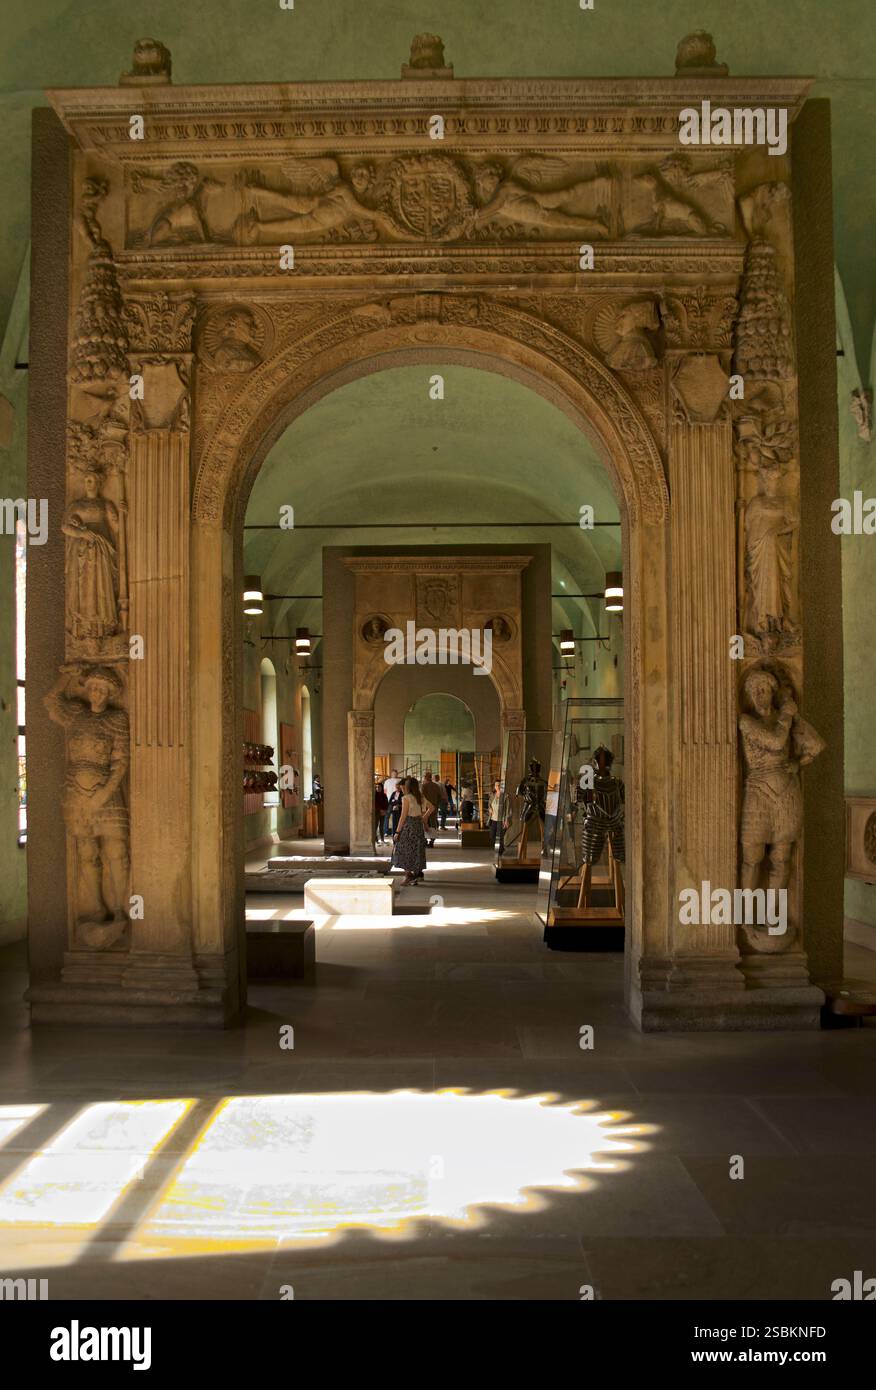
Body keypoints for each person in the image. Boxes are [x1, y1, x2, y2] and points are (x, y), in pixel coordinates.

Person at [391, 776, 432, 886]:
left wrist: (397, 832)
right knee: (416, 849)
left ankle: (408, 875)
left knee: (404, 849)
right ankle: (415, 875)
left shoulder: (406, 798)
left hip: (408, 825)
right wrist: (424, 818)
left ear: (408, 787)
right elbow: (432, 807)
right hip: (418, 825)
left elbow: (403, 817)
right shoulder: (420, 797)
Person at [421, 770, 446, 847]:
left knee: (425, 823)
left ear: (425, 778)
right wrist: (436, 805)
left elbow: (422, 797)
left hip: (425, 807)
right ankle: (432, 841)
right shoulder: (436, 786)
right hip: (434, 807)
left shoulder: (424, 786)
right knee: (433, 823)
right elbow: (440, 797)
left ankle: (425, 840)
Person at [488, 780, 511, 850]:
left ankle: (501, 849)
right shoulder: (492, 795)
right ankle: (492, 849)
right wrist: (490, 809)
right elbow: (489, 804)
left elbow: (508, 809)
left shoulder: (505, 796)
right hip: (493, 819)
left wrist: (506, 820)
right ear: (494, 787)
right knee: (492, 835)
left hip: (501, 819)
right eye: (496, 785)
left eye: (499, 785)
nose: (497, 787)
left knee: (501, 836)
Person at [374, 779, 389, 845]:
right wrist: (379, 810)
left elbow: (386, 803)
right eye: (376, 787)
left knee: (381, 826)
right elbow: (375, 804)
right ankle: (376, 840)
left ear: (382, 787)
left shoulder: (384, 795)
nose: (378, 788)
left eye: (379, 787)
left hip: (383, 813)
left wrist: (385, 810)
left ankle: (382, 839)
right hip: (376, 812)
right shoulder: (374, 795)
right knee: (375, 826)